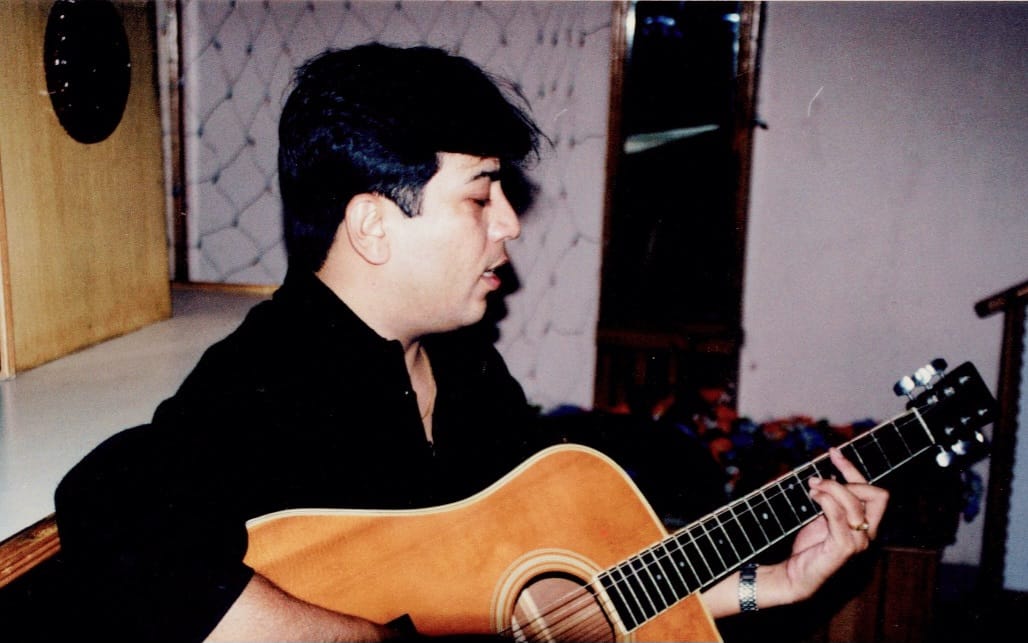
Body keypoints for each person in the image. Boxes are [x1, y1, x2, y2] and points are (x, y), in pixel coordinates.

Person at [54, 43, 888, 643]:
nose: (511, 224)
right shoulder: (270, 377)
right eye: (482, 195)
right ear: (374, 225)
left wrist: (769, 582)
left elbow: (551, 603)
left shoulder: (466, 367)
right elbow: (105, 508)